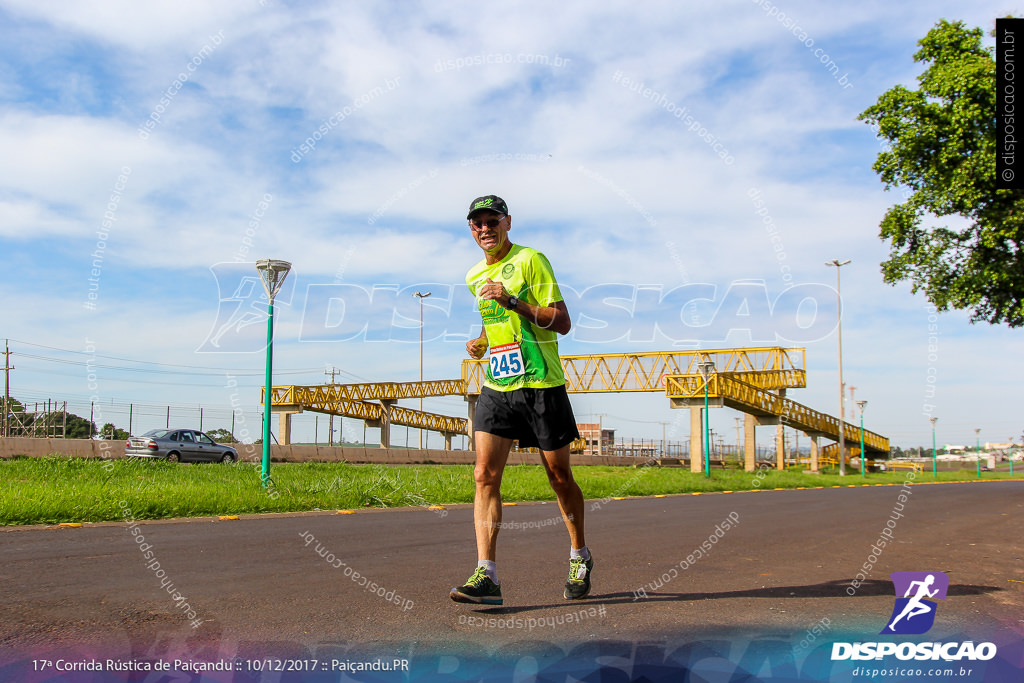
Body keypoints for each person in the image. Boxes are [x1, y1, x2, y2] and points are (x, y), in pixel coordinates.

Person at [449, 194, 592, 606]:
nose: (484, 229)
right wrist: (481, 341)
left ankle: (579, 556)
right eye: (477, 224)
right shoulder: (474, 275)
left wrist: (513, 299)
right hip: (499, 384)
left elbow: (562, 322)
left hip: (542, 384)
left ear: (507, 222)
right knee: (484, 476)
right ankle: (487, 575)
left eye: (492, 221)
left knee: (559, 478)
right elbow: (492, 317)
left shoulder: (532, 260)